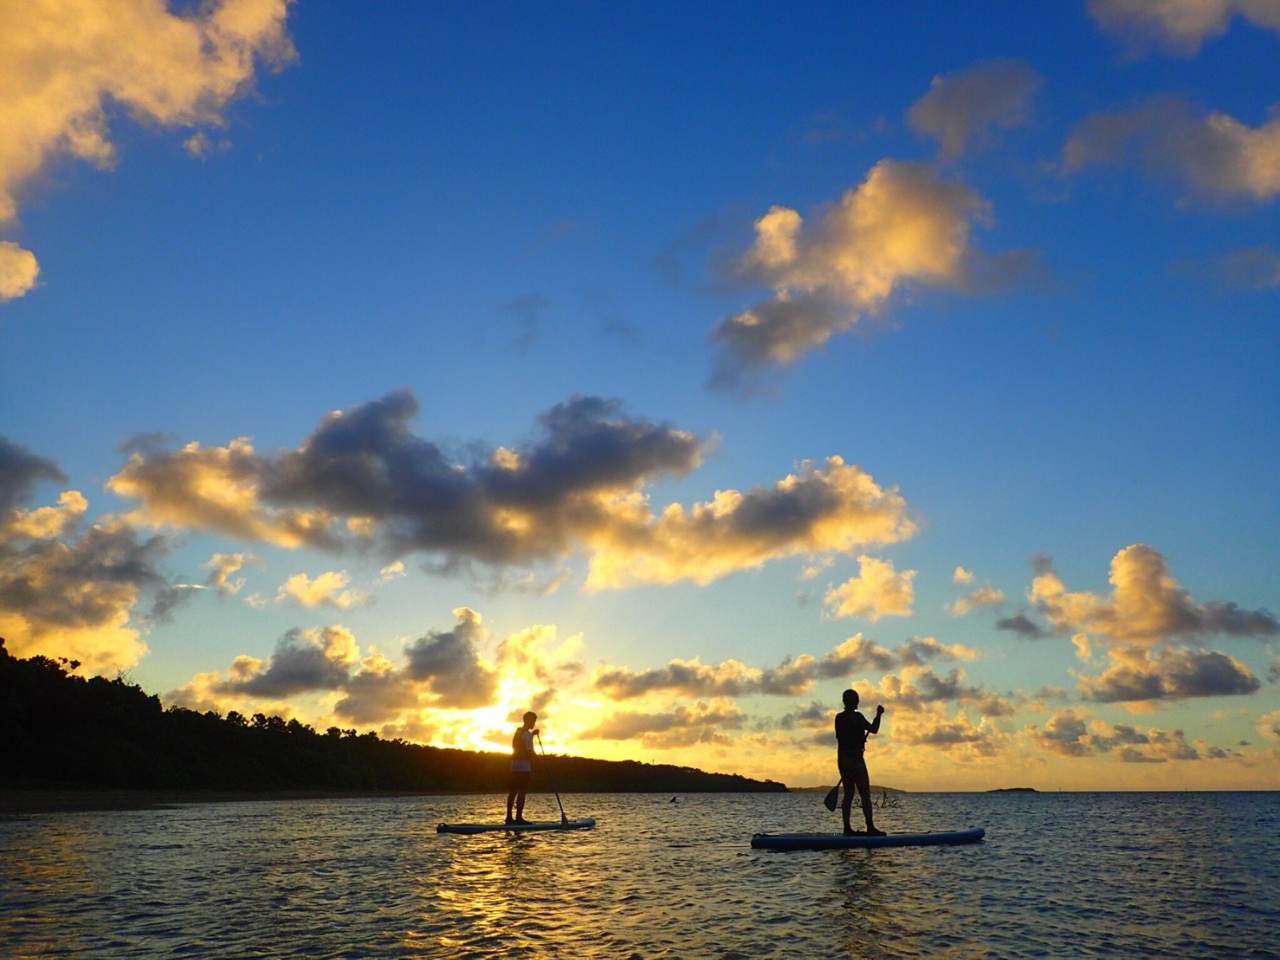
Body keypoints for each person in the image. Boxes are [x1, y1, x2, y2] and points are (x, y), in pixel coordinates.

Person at [835, 689, 885, 836]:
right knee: (853, 793)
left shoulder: (858, 717)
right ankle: (849, 829)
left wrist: (878, 715)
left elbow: (873, 729)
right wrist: (857, 741)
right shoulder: (841, 718)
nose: (857, 702)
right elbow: (842, 738)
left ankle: (868, 827)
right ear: (848, 701)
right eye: (855, 699)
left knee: (861, 794)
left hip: (853, 759)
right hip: (849, 760)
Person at [506, 711, 538, 824]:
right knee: (522, 792)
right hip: (524, 767)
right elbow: (529, 752)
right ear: (528, 721)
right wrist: (539, 761)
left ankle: (509, 818)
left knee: (513, 791)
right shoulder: (527, 735)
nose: (534, 723)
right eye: (533, 721)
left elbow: (522, 742)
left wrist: (533, 734)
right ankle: (519, 818)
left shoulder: (519, 731)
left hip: (514, 765)